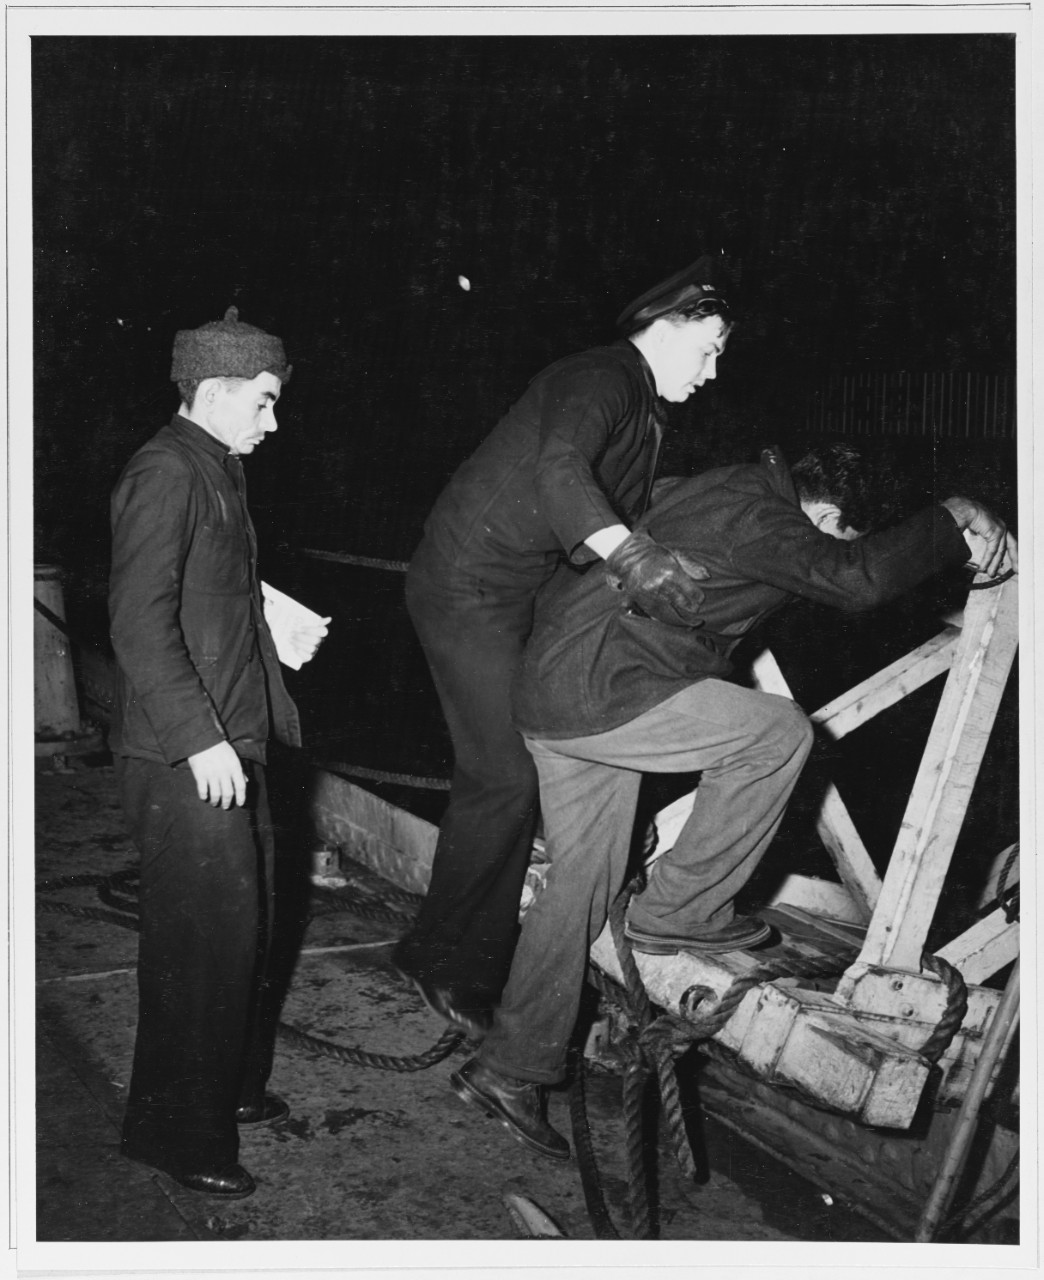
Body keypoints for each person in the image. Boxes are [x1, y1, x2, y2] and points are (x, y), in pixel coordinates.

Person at [448, 442, 1015, 1160]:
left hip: (555, 690)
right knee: (777, 732)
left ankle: (509, 1069)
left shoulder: (722, 484)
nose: (818, 547)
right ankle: (677, 911)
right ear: (829, 513)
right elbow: (856, 578)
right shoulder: (762, 514)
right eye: (835, 531)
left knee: (581, 888)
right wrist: (955, 515)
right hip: (607, 694)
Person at [393, 257, 732, 1034]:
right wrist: (635, 559)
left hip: (519, 591)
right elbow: (560, 471)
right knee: (503, 773)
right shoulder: (601, 377)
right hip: (467, 586)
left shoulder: (644, 408)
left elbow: (614, 510)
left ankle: (487, 949)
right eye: (709, 348)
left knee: (537, 753)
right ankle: (442, 958)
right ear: (666, 327)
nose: (714, 371)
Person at [109, 307, 328, 1199]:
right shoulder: (166, 471)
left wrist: (270, 606)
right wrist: (199, 740)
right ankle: (172, 1133)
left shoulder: (218, 466)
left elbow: (209, 572)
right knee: (201, 944)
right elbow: (137, 618)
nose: (274, 423)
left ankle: (230, 1090)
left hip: (237, 735)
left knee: (251, 925)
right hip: (184, 751)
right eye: (267, 403)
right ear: (220, 390)